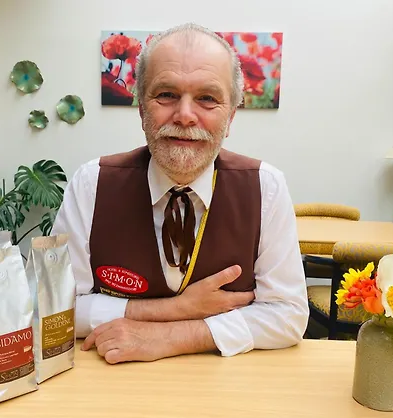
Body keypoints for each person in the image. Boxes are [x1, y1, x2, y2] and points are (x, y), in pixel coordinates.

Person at [51, 23, 308, 365]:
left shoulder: (267, 187)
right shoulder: (91, 184)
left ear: (231, 117)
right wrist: (176, 309)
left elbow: (288, 315)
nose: (185, 116)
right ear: (142, 110)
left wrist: (171, 337)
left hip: (227, 383)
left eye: (207, 98)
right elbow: (56, 308)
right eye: (166, 94)